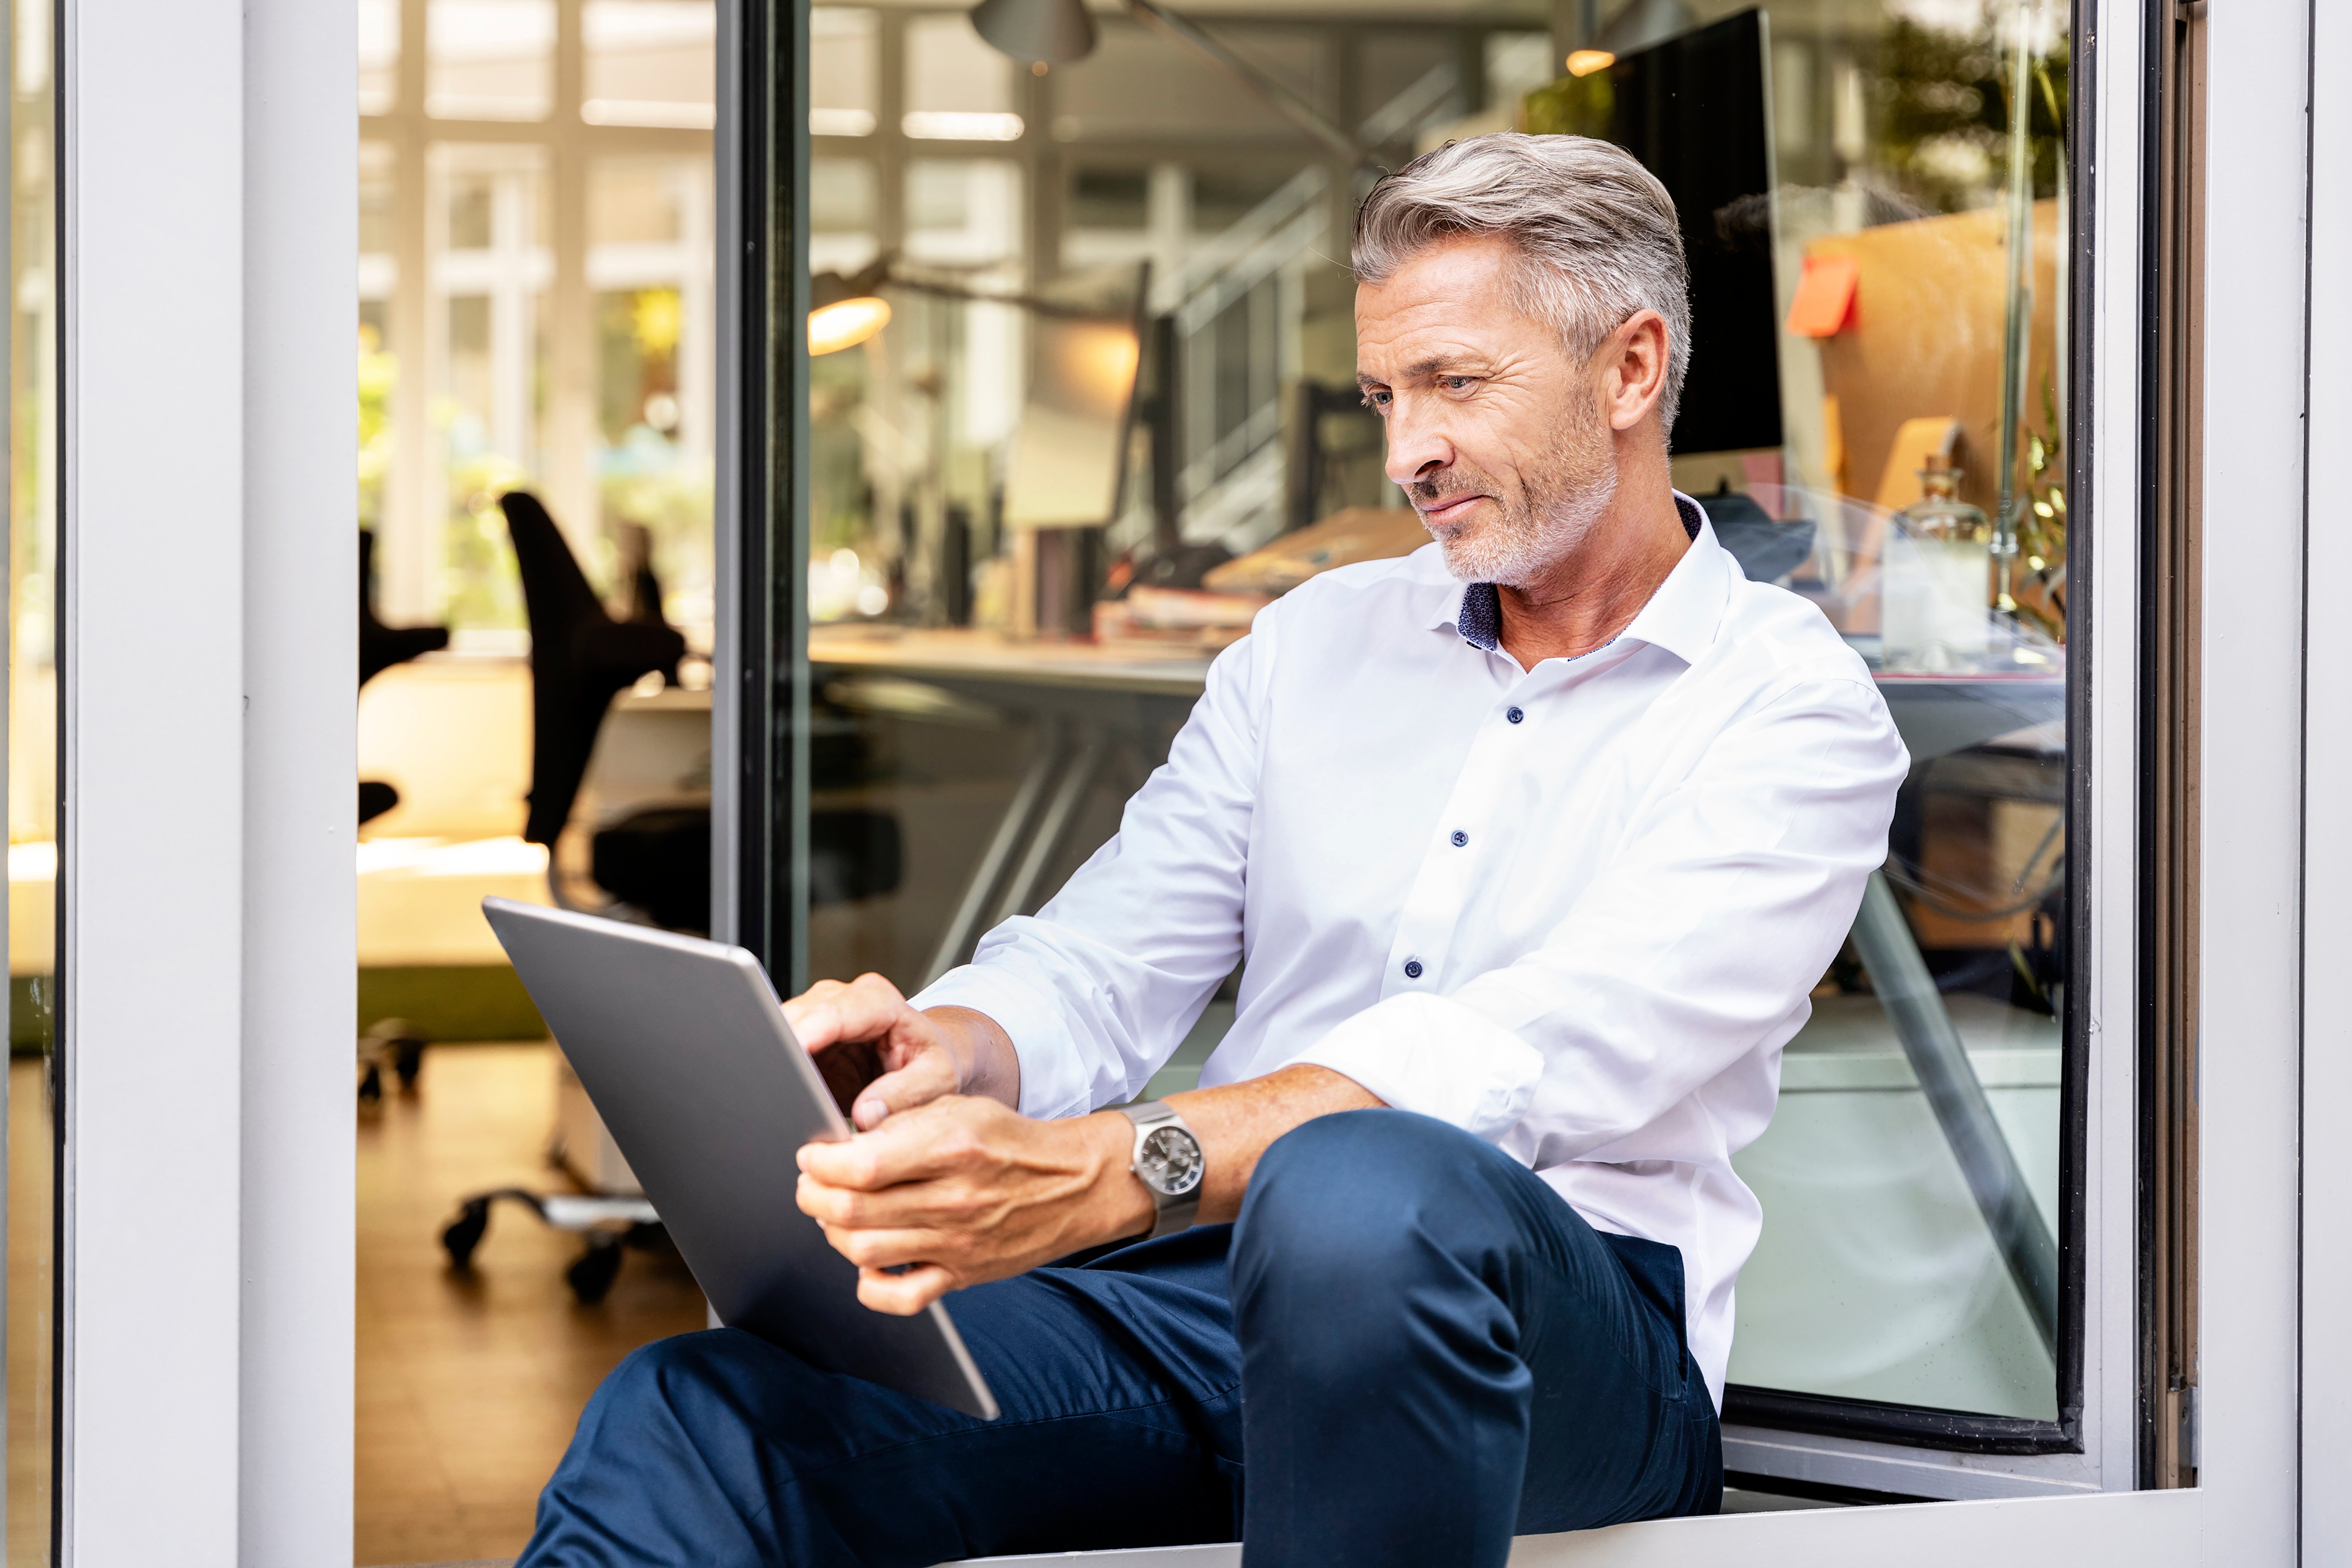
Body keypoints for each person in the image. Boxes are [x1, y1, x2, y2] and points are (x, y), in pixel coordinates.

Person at [518, 132, 1908, 1568]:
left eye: (1455, 384)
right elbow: (1110, 950)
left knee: (1362, 1189)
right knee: (694, 1410)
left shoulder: (1789, 707)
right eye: (1385, 395)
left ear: (1630, 370)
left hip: (1574, 1333)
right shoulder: (1314, 642)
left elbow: (1529, 1051)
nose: (1406, 452)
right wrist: (954, 1046)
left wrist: (1127, 1162)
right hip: (1210, 1295)